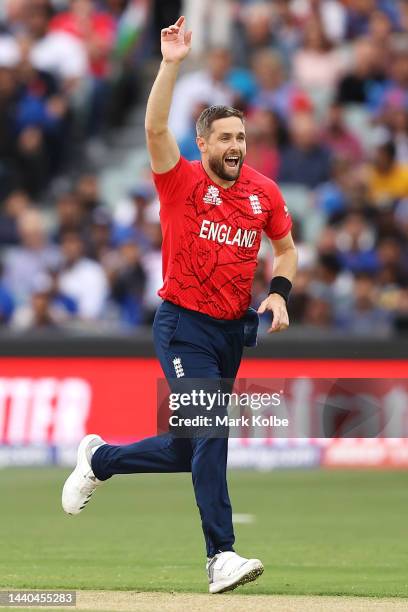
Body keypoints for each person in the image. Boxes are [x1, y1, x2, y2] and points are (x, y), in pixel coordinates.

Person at [61, 16, 297, 594]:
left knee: (188, 445)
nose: (236, 147)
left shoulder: (264, 193)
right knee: (212, 425)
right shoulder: (181, 182)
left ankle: (101, 461)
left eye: (241, 138)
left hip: (231, 332)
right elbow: (152, 128)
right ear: (204, 143)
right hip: (183, 325)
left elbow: (286, 248)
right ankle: (221, 555)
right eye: (226, 138)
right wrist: (170, 64)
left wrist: (279, 291)